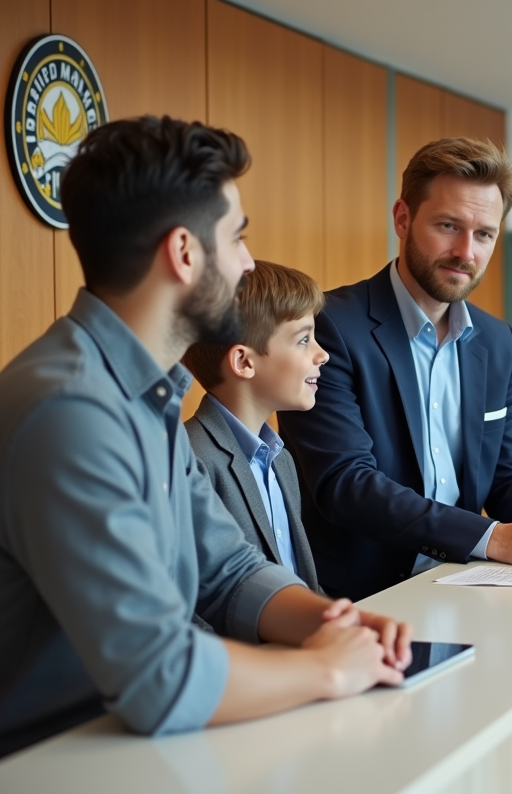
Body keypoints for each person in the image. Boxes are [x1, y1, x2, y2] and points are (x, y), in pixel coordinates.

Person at [0, 117, 412, 757]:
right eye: (237, 238)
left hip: (122, 744)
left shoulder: (146, 390)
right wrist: (329, 668)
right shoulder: (71, 410)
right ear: (185, 252)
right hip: (51, 760)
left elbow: (226, 570)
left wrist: (336, 623)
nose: (247, 263)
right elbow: (157, 674)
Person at [278, 137, 512, 601]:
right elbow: (344, 483)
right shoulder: (331, 325)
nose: (465, 252)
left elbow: (508, 471)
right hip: (359, 595)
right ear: (403, 219)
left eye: (485, 234)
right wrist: (493, 538)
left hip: (463, 583)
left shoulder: (497, 341)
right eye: (448, 226)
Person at [182, 260, 329, 593]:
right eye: (304, 340)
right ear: (244, 362)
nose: (323, 355)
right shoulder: (190, 460)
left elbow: (302, 584)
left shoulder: (281, 460)